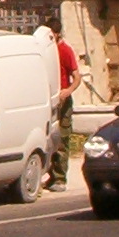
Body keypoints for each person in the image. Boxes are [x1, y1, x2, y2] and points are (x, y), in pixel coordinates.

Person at [48, 22, 82, 191]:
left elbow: (77, 77)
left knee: (62, 139)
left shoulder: (65, 50)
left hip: (63, 101)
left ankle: (60, 178)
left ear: (58, 34)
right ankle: (50, 175)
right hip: (49, 100)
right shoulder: (47, 51)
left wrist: (67, 91)